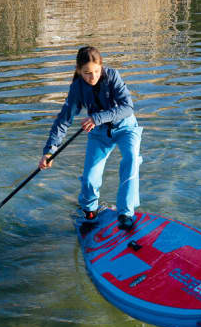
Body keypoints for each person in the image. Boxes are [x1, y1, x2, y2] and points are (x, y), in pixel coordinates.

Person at [40, 46, 142, 230]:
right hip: (99, 133)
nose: (92, 77)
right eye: (86, 73)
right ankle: (89, 211)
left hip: (126, 128)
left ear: (101, 67)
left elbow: (128, 107)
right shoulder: (77, 88)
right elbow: (63, 120)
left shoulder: (112, 76)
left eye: (96, 71)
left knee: (131, 160)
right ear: (79, 71)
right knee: (89, 178)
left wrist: (97, 117)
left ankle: (126, 214)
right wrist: (49, 151)